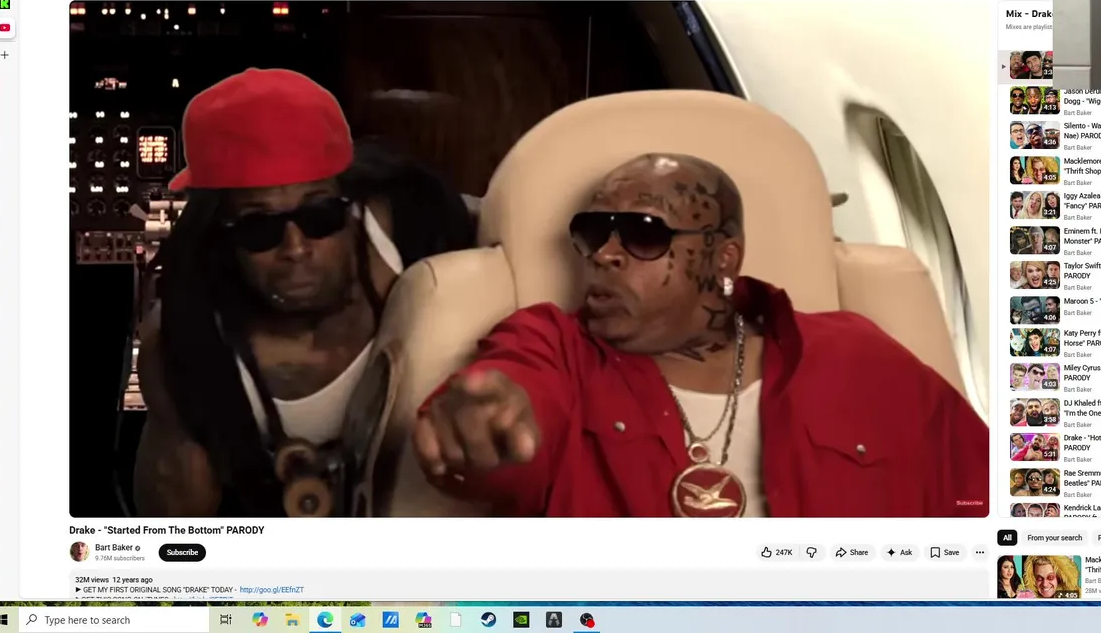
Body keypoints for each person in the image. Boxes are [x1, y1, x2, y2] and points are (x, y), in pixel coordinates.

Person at [412, 153, 990, 517]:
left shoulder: (856, 357)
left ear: (723, 257)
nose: (605, 254)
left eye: (643, 234)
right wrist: (482, 428)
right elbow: (511, 411)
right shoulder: (553, 347)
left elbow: (989, 504)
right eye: (594, 232)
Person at [134, 68, 476, 516]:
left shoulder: (420, 227)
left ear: (350, 203)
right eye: (260, 227)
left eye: (320, 216)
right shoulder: (186, 349)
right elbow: (176, 531)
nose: (295, 249)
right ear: (222, 233)